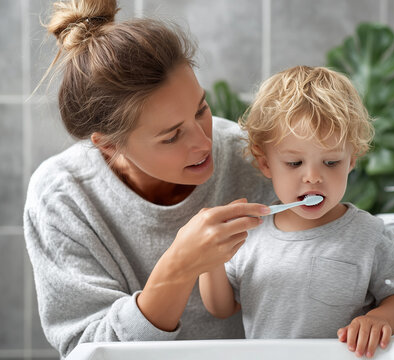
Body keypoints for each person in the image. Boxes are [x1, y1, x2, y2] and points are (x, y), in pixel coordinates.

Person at [23, 0, 276, 357]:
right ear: (108, 146)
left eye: (201, 109)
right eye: (172, 136)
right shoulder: (63, 198)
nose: (204, 143)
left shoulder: (250, 159)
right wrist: (178, 266)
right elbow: (86, 349)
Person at [199, 66, 394, 359]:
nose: (313, 177)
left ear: (351, 160)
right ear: (265, 164)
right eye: (294, 163)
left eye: (331, 163)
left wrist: (381, 319)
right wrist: (209, 259)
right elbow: (222, 307)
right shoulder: (250, 232)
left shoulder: (368, 235)